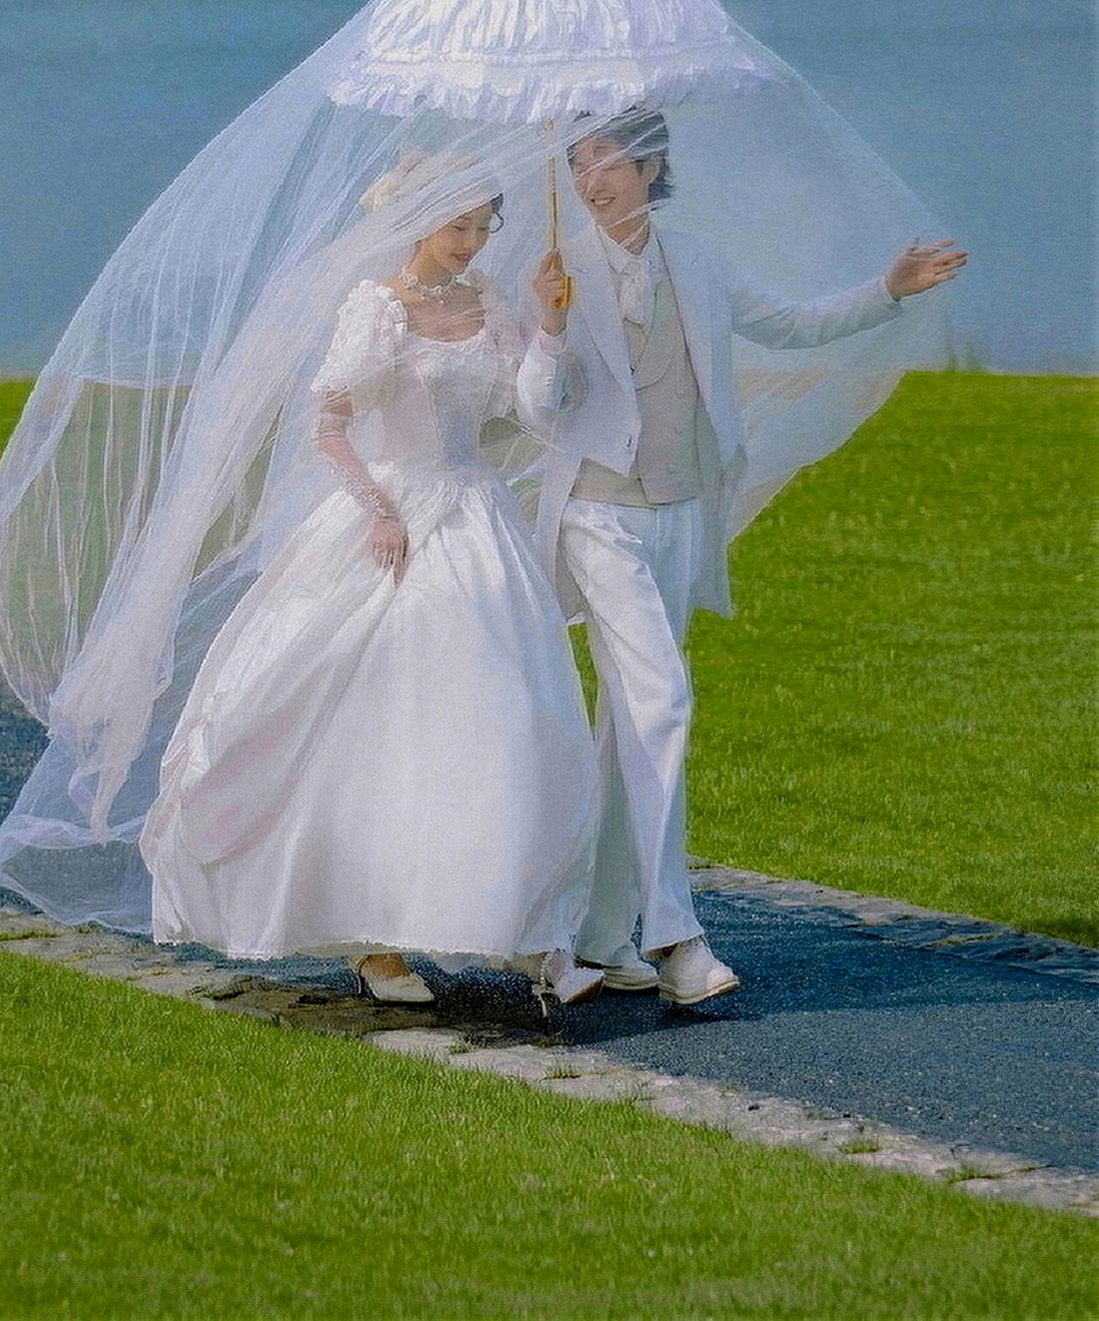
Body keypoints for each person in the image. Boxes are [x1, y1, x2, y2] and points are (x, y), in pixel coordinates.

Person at [137, 162, 605, 1011]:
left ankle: (531, 931)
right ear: (420, 220)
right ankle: (373, 943)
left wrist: (550, 324)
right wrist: (379, 512)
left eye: (483, 228)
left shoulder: (493, 303)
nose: (471, 243)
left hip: (475, 520)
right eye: (457, 226)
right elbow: (329, 427)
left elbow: (538, 413)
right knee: (370, 720)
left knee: (501, 716)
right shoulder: (377, 306)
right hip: (392, 517)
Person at [529, 109, 967, 1005]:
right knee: (662, 701)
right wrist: (547, 327)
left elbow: (793, 326)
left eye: (607, 161)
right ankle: (675, 937)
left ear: (651, 168)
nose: (590, 180)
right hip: (596, 515)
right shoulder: (554, 271)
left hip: (682, 510)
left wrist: (887, 289)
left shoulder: (698, 260)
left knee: (629, 721)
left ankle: (600, 935)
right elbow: (538, 410)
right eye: (578, 164)